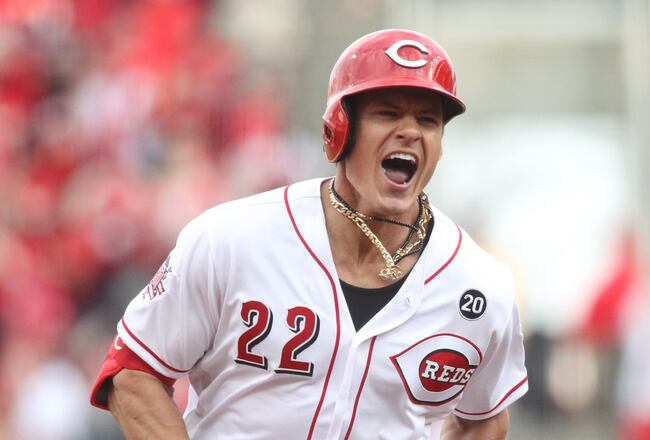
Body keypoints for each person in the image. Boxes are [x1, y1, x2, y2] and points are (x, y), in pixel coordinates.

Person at [89, 28, 528, 439]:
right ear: (338, 129)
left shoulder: (479, 284)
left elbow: (485, 419)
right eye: (387, 113)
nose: (410, 131)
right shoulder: (231, 239)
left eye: (428, 120)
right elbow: (133, 371)